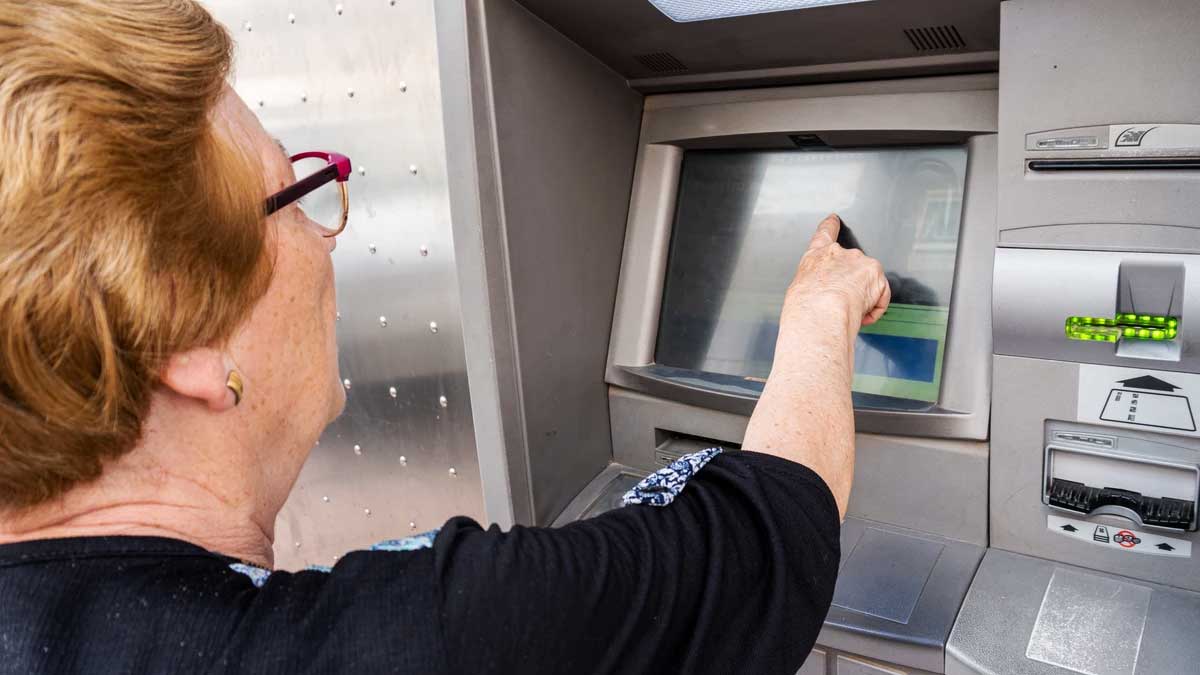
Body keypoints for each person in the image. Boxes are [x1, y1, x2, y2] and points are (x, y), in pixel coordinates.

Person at [0, 2, 890, 673]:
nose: (327, 240)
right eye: (294, 200)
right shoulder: (429, 633)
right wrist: (823, 308)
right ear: (184, 335)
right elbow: (769, 534)